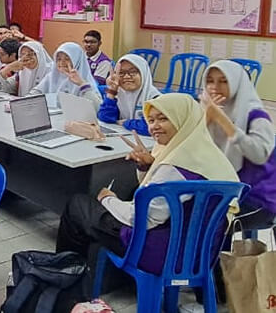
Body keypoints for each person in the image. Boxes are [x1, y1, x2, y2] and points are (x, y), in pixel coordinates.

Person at [56, 93, 240, 276]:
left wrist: (107, 200)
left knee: (78, 205)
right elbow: (166, 191)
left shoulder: (174, 167)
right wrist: (148, 166)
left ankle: (65, 274)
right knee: (126, 196)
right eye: (150, 120)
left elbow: (144, 219)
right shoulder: (204, 154)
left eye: (163, 119)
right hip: (201, 251)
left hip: (163, 253)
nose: (154, 127)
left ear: (183, 119)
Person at [201, 60, 276, 227]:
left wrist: (222, 120)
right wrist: (207, 118)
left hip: (257, 197)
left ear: (237, 83)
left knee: (208, 223)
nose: (215, 86)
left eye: (223, 81)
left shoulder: (256, 116)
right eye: (210, 80)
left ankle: (215, 254)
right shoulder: (208, 109)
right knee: (186, 211)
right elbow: (193, 146)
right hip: (224, 189)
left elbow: (259, 155)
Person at [98, 54, 161, 136]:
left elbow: (149, 127)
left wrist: (125, 123)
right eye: (121, 73)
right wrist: (112, 91)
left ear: (143, 73)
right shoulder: (120, 94)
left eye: (133, 72)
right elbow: (105, 117)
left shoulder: (155, 98)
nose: (127, 76)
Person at [30, 42, 102, 110]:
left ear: (76, 60)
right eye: (59, 59)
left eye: (67, 59)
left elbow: (98, 108)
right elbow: (37, 92)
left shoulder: (85, 79)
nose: (62, 62)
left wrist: (81, 84)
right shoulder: (52, 76)